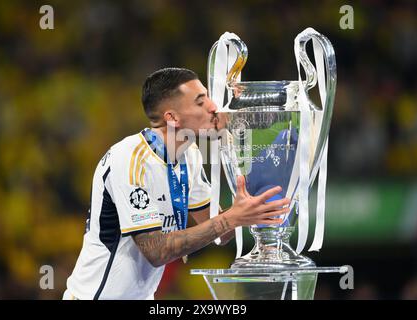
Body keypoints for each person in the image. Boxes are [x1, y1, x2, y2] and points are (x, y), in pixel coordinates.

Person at [64, 68, 290, 300]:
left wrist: (250, 200)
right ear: (172, 118)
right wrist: (231, 218)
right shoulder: (129, 158)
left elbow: (220, 233)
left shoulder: (189, 156)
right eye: (200, 102)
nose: (213, 107)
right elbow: (156, 251)